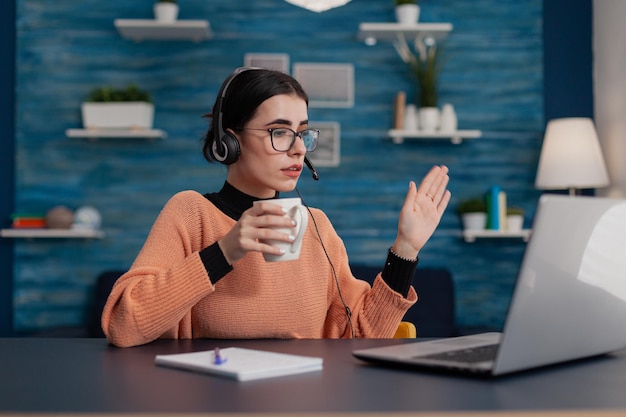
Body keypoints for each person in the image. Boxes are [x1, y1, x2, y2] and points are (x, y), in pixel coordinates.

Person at [101, 67, 451, 348]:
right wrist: (226, 250)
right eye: (279, 132)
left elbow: (363, 334)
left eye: (302, 133)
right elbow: (123, 326)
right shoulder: (191, 214)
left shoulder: (317, 226)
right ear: (230, 141)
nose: (299, 148)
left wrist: (406, 249)